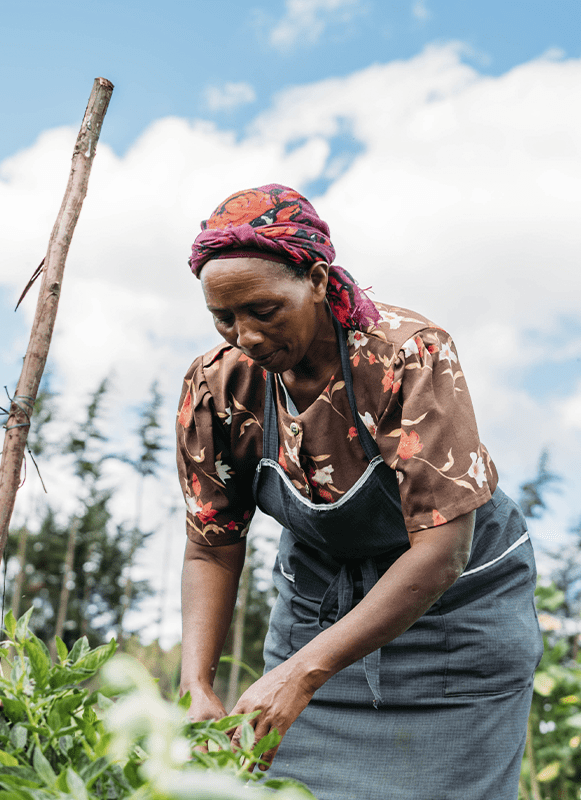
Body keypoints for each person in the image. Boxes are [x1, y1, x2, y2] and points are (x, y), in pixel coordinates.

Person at [176, 184, 544, 799]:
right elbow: (210, 546)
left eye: (265, 311)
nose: (247, 336)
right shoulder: (220, 387)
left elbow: (441, 553)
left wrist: (302, 675)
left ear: (317, 281)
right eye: (225, 318)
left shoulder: (406, 355)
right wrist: (196, 685)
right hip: (319, 612)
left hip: (452, 617)